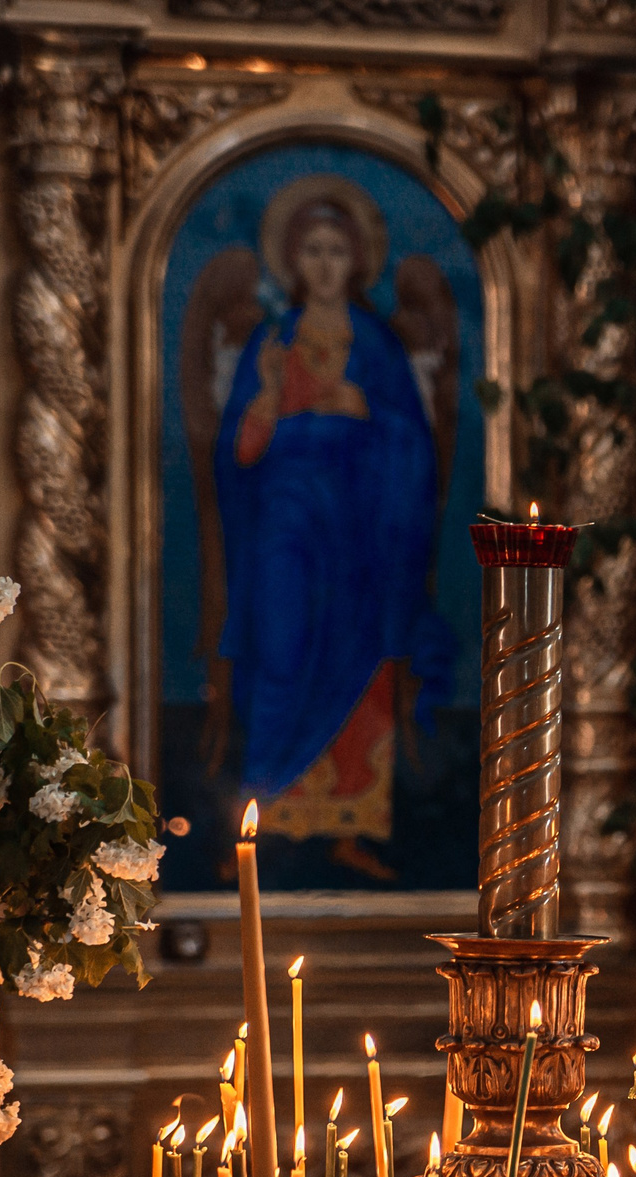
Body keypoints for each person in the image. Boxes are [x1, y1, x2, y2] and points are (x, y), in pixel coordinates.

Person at [213, 186, 451, 880]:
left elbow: (414, 449)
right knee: (281, 654)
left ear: (355, 261)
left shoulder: (373, 345)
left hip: (361, 539)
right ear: (292, 258)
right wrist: (265, 402)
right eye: (312, 250)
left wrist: (364, 411)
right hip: (285, 527)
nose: (323, 264)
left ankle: (352, 827)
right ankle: (257, 822)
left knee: (360, 664)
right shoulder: (274, 340)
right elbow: (241, 453)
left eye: (337, 251)